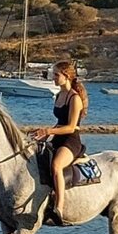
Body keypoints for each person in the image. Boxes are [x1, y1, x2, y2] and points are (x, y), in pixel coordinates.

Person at [35, 60, 88, 223]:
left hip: (71, 141)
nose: (53, 78)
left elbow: (71, 127)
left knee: (56, 166)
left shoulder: (74, 98)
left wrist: (49, 131)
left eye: (56, 75)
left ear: (66, 76)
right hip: (58, 136)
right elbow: (60, 122)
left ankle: (59, 206)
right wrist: (45, 134)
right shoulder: (59, 95)